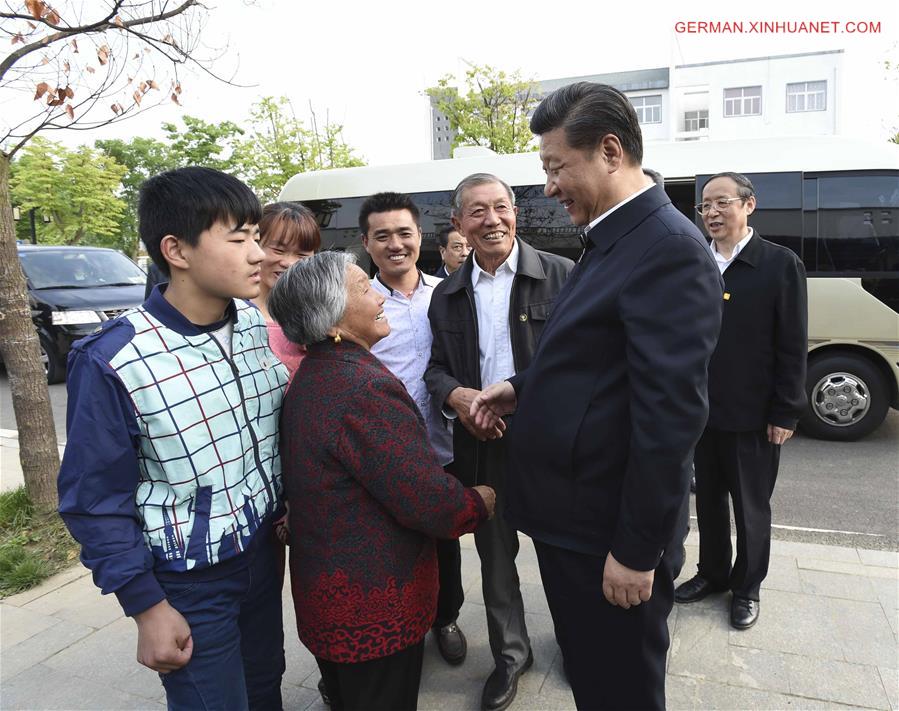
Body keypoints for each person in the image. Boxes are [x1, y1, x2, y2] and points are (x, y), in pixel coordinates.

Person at [470, 83, 724, 710]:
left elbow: (670, 418)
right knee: (593, 678)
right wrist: (520, 389)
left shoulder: (667, 250)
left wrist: (636, 552)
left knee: (620, 692)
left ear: (610, 150)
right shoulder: (614, 236)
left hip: (607, 536)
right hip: (573, 522)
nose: (550, 187)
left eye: (556, 167)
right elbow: (596, 361)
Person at [58, 167, 289, 710]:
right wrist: (146, 607)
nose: (259, 254)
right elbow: (94, 501)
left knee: (264, 688)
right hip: (189, 583)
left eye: (256, 237)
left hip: (261, 556)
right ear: (176, 250)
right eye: (239, 239)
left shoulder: (255, 326)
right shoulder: (116, 359)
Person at [269, 251, 495, 711]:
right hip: (371, 605)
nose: (378, 297)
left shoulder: (319, 372)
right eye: (363, 289)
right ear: (331, 317)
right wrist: (477, 501)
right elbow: (426, 499)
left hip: (334, 597)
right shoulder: (359, 387)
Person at [425, 173, 573, 711]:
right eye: (478, 211)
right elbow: (435, 368)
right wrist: (459, 398)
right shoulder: (446, 294)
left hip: (553, 443)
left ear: (516, 212)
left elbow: (580, 365)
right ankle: (511, 656)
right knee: (494, 558)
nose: (492, 220)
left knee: (565, 553)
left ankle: (576, 646)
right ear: (459, 224)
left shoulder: (562, 276)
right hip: (482, 445)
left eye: (501, 207)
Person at [674, 172, 808, 629]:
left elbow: (792, 343)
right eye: (705, 206)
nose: (711, 212)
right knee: (708, 500)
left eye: (721, 203)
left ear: (749, 205)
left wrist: (785, 410)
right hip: (699, 411)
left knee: (751, 507)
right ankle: (712, 573)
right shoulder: (694, 262)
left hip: (753, 415)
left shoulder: (777, 263)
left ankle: (747, 586)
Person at [359, 192, 467, 665]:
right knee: (393, 548)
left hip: (443, 446)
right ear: (367, 242)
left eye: (404, 233)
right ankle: (399, 630)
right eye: (382, 236)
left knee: (445, 541)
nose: (395, 244)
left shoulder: (446, 296)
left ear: (420, 237)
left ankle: (446, 618)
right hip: (385, 454)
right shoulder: (358, 303)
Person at [251, 201, 321, 378]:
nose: (289, 263)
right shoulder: (231, 313)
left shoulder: (320, 313)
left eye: (302, 255)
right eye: (278, 250)